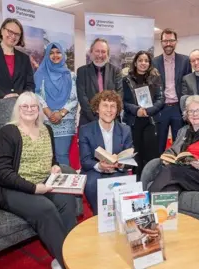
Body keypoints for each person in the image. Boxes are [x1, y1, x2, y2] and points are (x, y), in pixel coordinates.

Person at [0, 92, 77, 269]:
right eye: (24, 106)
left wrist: (54, 166)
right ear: (18, 109)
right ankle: (68, 263)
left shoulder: (46, 129)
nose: (30, 109)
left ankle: (71, 253)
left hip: (43, 181)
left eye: (34, 106)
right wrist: (33, 188)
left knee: (67, 199)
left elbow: (51, 158)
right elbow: (0, 172)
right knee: (45, 208)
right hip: (10, 188)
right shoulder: (8, 132)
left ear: (39, 109)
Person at [79, 90, 133, 215]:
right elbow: (85, 161)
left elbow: (129, 159)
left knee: (120, 184)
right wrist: (99, 166)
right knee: (92, 184)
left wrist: (121, 164)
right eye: (105, 105)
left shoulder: (125, 130)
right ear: (97, 109)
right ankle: (98, 215)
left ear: (117, 110)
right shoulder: (85, 130)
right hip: (94, 171)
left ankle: (120, 217)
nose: (109, 110)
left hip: (117, 170)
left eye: (113, 106)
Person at [123, 51, 165, 181]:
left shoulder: (155, 77)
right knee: (136, 155)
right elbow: (123, 101)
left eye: (146, 60)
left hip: (151, 121)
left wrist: (150, 110)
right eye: (140, 60)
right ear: (135, 62)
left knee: (151, 154)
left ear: (149, 63)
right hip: (133, 121)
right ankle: (136, 183)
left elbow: (161, 98)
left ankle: (150, 182)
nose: (143, 63)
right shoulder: (126, 79)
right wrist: (137, 110)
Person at [35, 42, 78, 166]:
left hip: (65, 121)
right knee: (45, 156)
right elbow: (36, 94)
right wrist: (48, 111)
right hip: (45, 120)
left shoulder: (71, 75)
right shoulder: (40, 74)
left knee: (62, 155)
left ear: (63, 54)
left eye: (58, 52)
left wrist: (61, 113)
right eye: (51, 53)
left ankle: (64, 184)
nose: (55, 55)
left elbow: (74, 98)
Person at [153, 28, 192, 154]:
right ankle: (157, 170)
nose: (168, 43)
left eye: (171, 40)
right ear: (161, 42)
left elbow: (189, 83)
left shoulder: (185, 61)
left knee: (179, 144)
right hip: (161, 108)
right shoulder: (154, 62)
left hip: (178, 108)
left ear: (176, 42)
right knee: (159, 144)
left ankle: (177, 171)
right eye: (165, 41)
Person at [76, 38, 123, 126]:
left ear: (108, 54)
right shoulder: (82, 71)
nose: (100, 55)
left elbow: (119, 96)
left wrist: (108, 116)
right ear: (91, 52)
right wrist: (97, 119)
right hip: (88, 121)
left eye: (103, 52)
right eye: (97, 51)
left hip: (112, 120)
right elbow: (82, 97)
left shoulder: (116, 71)